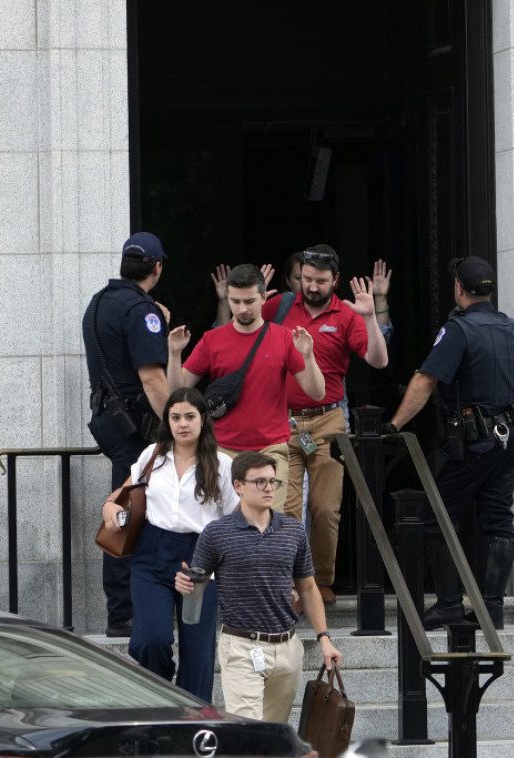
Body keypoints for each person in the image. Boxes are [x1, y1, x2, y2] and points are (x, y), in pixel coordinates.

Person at [385, 256, 514, 629]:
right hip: (509, 439)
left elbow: (425, 381)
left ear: (458, 288)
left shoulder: (458, 330)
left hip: (473, 441)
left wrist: (393, 425)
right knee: (499, 519)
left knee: (435, 515)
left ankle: (450, 603)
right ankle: (492, 608)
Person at [175, 451, 343, 724]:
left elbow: (309, 589)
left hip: (287, 647)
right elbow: (197, 583)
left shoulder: (293, 530)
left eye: (272, 482)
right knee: (248, 736)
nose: (268, 488)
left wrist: (324, 637)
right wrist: (186, 584)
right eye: (259, 482)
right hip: (241, 646)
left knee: (274, 736)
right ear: (238, 486)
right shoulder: (217, 533)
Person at [263, 245, 388, 605]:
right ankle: (287, 583)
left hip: (328, 419)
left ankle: (321, 580)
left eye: (320, 281)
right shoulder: (280, 307)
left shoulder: (347, 314)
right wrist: (251, 302)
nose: (312, 287)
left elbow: (379, 361)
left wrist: (368, 317)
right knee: (283, 506)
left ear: (335, 280)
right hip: (282, 419)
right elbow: (241, 341)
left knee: (323, 506)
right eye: (306, 279)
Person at [101, 387, 240, 701]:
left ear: (203, 420)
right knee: (150, 639)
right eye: (175, 417)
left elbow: (236, 517)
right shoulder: (152, 456)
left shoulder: (221, 464)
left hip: (200, 558)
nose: (183, 424)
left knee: (198, 652)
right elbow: (118, 498)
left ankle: (194, 723)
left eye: (190, 416)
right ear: (168, 421)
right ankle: (161, 693)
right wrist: (110, 508)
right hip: (152, 553)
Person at [168, 264, 324, 513]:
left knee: (267, 525)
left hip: (271, 448)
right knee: (226, 529)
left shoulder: (284, 338)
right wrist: (174, 354)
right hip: (222, 450)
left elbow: (317, 393)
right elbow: (177, 393)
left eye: (249, 301)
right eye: (235, 301)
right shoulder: (212, 340)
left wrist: (308, 356)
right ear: (227, 297)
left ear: (264, 297)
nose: (242, 309)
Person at [82, 231, 172, 637]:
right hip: (134, 426)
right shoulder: (141, 310)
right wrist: (178, 425)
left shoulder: (98, 302)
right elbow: (153, 379)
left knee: (127, 509)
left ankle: (127, 609)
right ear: (156, 268)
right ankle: (123, 613)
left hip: (109, 420)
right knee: (126, 512)